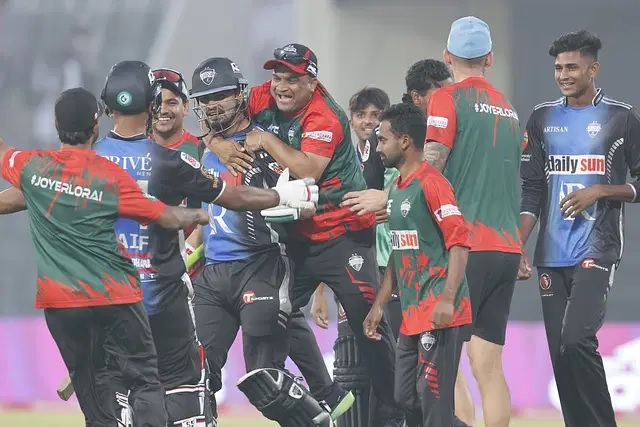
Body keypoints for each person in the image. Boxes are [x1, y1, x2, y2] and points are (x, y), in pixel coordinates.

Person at [207, 43, 403, 427]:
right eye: (277, 77)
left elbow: (308, 169)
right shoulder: (261, 97)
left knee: (368, 324)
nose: (281, 86)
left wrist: (265, 140)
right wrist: (218, 145)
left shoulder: (324, 115)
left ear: (312, 83)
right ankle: (319, 398)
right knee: (271, 314)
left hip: (343, 236)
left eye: (292, 80)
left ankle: (398, 412)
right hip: (294, 240)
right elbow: (216, 120)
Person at [0, 87, 212, 427]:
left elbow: (11, 177)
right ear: (96, 124)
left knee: (97, 400)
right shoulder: (107, 172)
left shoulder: (35, 167)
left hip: (61, 304)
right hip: (114, 296)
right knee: (146, 382)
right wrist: (197, 217)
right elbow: (162, 214)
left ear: (55, 125)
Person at [181, 56, 342, 425]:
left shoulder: (269, 142)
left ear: (241, 95)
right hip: (213, 277)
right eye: (205, 99)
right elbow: (209, 215)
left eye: (220, 96)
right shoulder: (208, 149)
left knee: (264, 380)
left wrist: (291, 204)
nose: (211, 106)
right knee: (195, 376)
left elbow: (305, 203)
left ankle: (323, 415)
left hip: (262, 267)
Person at [340, 59, 475, 427]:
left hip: (439, 310)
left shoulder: (433, 184)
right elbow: (399, 256)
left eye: (382, 139)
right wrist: (379, 306)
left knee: (432, 407)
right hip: (411, 314)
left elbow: (460, 243)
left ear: (404, 141)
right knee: (405, 399)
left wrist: (447, 299)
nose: (377, 147)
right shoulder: (398, 189)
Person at [520, 30, 640, 427]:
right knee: (561, 353)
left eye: (572, 67)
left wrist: (601, 190)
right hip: (550, 253)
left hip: (597, 248)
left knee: (576, 340)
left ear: (593, 69)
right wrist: (517, 244)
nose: (563, 75)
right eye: (558, 68)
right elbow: (532, 190)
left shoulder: (621, 118)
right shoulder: (542, 118)